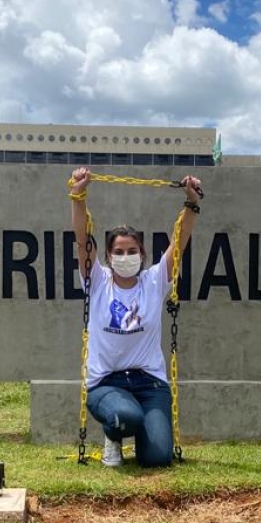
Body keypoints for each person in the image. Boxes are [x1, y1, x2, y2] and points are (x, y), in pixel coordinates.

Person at [69, 166, 203, 467]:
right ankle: (113, 436)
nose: (125, 256)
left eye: (132, 251)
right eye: (118, 251)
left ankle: (144, 431)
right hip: (107, 383)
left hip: (149, 383)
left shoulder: (154, 282)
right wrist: (78, 196)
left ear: (142, 254)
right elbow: (81, 238)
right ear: (108, 256)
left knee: (157, 458)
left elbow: (179, 241)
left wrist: (192, 202)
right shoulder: (98, 281)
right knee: (124, 416)